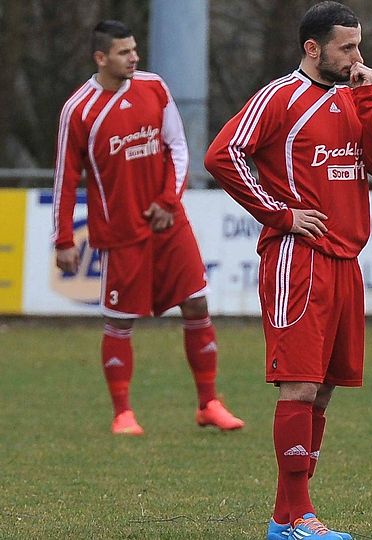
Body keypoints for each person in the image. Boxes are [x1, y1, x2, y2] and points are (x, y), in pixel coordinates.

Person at [204, 2, 372, 539]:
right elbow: (223, 155)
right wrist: (280, 214)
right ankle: (298, 517)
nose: (358, 56)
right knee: (299, 387)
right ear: (313, 49)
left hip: (346, 262)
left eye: (359, 45)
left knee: (325, 389)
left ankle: (287, 518)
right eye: (347, 47)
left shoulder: (357, 96)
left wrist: (368, 99)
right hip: (300, 260)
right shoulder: (280, 97)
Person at [53, 20, 244, 436]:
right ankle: (123, 412)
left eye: (135, 50)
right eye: (124, 52)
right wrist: (64, 240)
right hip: (121, 233)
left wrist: (168, 202)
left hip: (169, 223)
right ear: (101, 58)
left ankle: (209, 403)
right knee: (120, 320)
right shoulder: (79, 109)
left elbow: (177, 146)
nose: (134, 57)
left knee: (196, 304)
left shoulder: (154, 87)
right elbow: (65, 179)